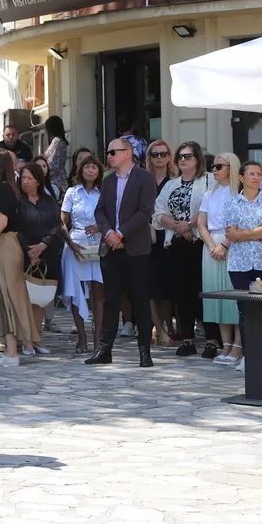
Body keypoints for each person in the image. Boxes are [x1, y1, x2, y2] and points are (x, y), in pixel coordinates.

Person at [86, 137, 157, 368]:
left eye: (113, 152)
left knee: (140, 299)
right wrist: (109, 233)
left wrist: (121, 234)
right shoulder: (107, 180)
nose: (109, 156)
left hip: (135, 248)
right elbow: (100, 210)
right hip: (111, 247)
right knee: (111, 300)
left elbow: (145, 212)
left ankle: (144, 351)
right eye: (108, 152)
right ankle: (105, 349)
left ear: (127, 153)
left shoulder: (145, 178)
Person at [222, 161, 262, 374]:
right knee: (244, 310)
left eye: (259, 174)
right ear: (241, 177)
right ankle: (248, 354)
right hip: (240, 264)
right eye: (251, 173)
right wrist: (257, 233)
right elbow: (231, 234)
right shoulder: (231, 203)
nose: (256, 177)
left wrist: (243, 234)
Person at [153, 141, 210, 355]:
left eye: (188, 156)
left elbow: (212, 208)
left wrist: (191, 223)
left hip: (200, 244)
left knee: (202, 291)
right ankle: (187, 339)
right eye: (180, 157)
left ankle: (212, 339)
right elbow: (158, 212)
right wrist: (178, 225)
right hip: (176, 243)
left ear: (197, 159)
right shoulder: (171, 185)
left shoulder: (208, 181)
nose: (183, 160)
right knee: (181, 294)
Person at [0, 148, 34, 366]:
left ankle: (12, 353)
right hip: (8, 244)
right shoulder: (8, 188)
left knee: (8, 294)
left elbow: (2, 222)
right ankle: (11, 350)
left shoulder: (2, 189)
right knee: (4, 294)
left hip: (7, 245)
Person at [16, 163, 63, 356]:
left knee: (39, 299)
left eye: (30, 178)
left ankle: (37, 337)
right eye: (23, 178)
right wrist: (30, 252)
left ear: (38, 180)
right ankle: (26, 340)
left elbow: (57, 226)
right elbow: (16, 228)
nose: (26, 182)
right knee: (24, 299)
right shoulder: (18, 202)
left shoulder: (49, 201)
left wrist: (43, 246)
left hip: (47, 253)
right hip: (24, 253)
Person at [198, 153, 241, 363]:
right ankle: (225, 346)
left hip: (234, 243)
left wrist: (225, 244)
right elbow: (201, 223)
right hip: (211, 246)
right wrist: (212, 246)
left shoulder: (239, 192)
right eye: (213, 166)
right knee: (219, 297)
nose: (214, 169)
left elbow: (241, 223)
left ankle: (238, 346)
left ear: (231, 167)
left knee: (235, 296)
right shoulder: (209, 193)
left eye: (219, 166)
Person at [61, 153, 104, 352]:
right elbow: (62, 222)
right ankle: (82, 337)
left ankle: (97, 337)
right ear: (80, 170)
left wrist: (100, 226)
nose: (90, 170)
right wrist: (70, 243)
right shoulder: (72, 192)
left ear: (98, 171)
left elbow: (111, 217)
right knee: (75, 289)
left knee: (98, 292)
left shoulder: (103, 193)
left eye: (94, 167)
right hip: (75, 242)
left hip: (97, 244)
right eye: (86, 166)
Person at [142, 138, 177, 346]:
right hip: (146, 237)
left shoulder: (175, 180)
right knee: (150, 288)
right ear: (149, 157)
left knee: (165, 288)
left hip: (169, 237)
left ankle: (163, 326)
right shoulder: (143, 179)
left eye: (163, 154)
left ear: (169, 157)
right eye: (155, 154)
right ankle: (160, 329)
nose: (159, 158)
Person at [42, 116, 68, 199]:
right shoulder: (61, 142)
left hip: (55, 182)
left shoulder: (57, 141)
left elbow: (52, 163)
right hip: (60, 180)